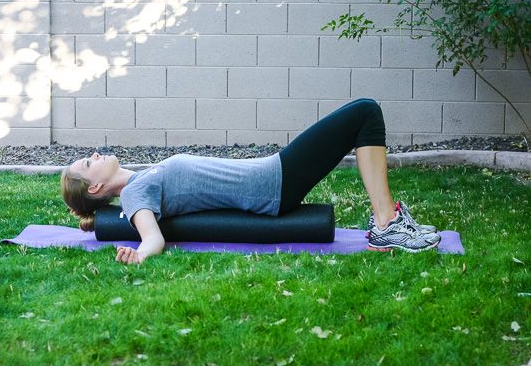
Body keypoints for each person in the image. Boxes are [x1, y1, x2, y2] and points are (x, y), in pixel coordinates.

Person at [61, 98, 440, 265]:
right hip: (272, 184)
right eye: (87, 163)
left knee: (364, 113)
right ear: (94, 188)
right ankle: (387, 224)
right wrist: (139, 254)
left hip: (271, 173)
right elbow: (154, 238)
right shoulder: (136, 194)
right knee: (364, 112)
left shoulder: (143, 177)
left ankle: (386, 221)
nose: (94, 155)